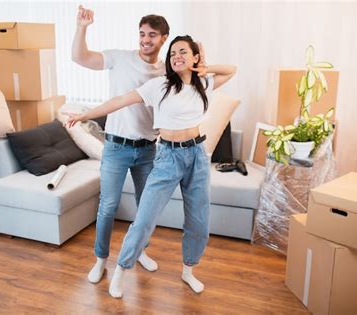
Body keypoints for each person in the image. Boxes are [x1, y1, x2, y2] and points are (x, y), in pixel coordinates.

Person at [66, 35, 236, 298]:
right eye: (172, 53)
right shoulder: (159, 86)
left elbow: (232, 70)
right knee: (145, 218)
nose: (176, 56)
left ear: (194, 57)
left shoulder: (204, 84)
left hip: (198, 155)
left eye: (183, 52)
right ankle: (122, 269)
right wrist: (85, 115)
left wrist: (205, 68)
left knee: (199, 218)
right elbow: (120, 101)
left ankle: (189, 270)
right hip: (168, 157)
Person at [71, 5, 170, 284]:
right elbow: (79, 57)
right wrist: (82, 27)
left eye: (152, 35)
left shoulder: (165, 71)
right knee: (108, 205)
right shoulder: (120, 58)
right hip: (116, 147)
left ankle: (139, 252)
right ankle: (101, 260)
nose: (145, 40)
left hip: (148, 149)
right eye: (141, 34)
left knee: (145, 207)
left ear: (163, 38)